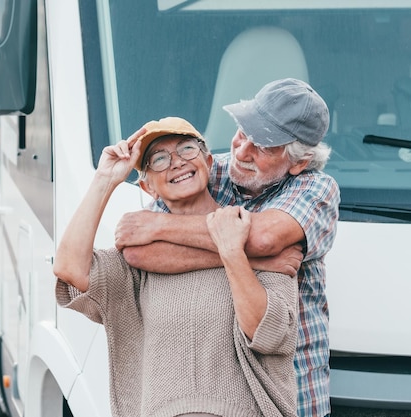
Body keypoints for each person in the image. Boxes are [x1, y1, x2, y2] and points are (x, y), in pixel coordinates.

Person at [115, 79, 340, 417]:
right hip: (225, 394)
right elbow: (139, 253)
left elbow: (263, 238)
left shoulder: (317, 188)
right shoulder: (210, 168)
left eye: (263, 146)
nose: (242, 150)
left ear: (299, 162)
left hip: (293, 395)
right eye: (242, 131)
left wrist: (160, 225)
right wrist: (260, 257)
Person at [53, 116, 301, 417]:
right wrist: (105, 179)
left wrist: (234, 251)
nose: (176, 162)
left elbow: (271, 333)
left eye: (186, 149)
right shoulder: (138, 259)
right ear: (147, 187)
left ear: (208, 162)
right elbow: (69, 269)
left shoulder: (255, 236)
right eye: (159, 158)